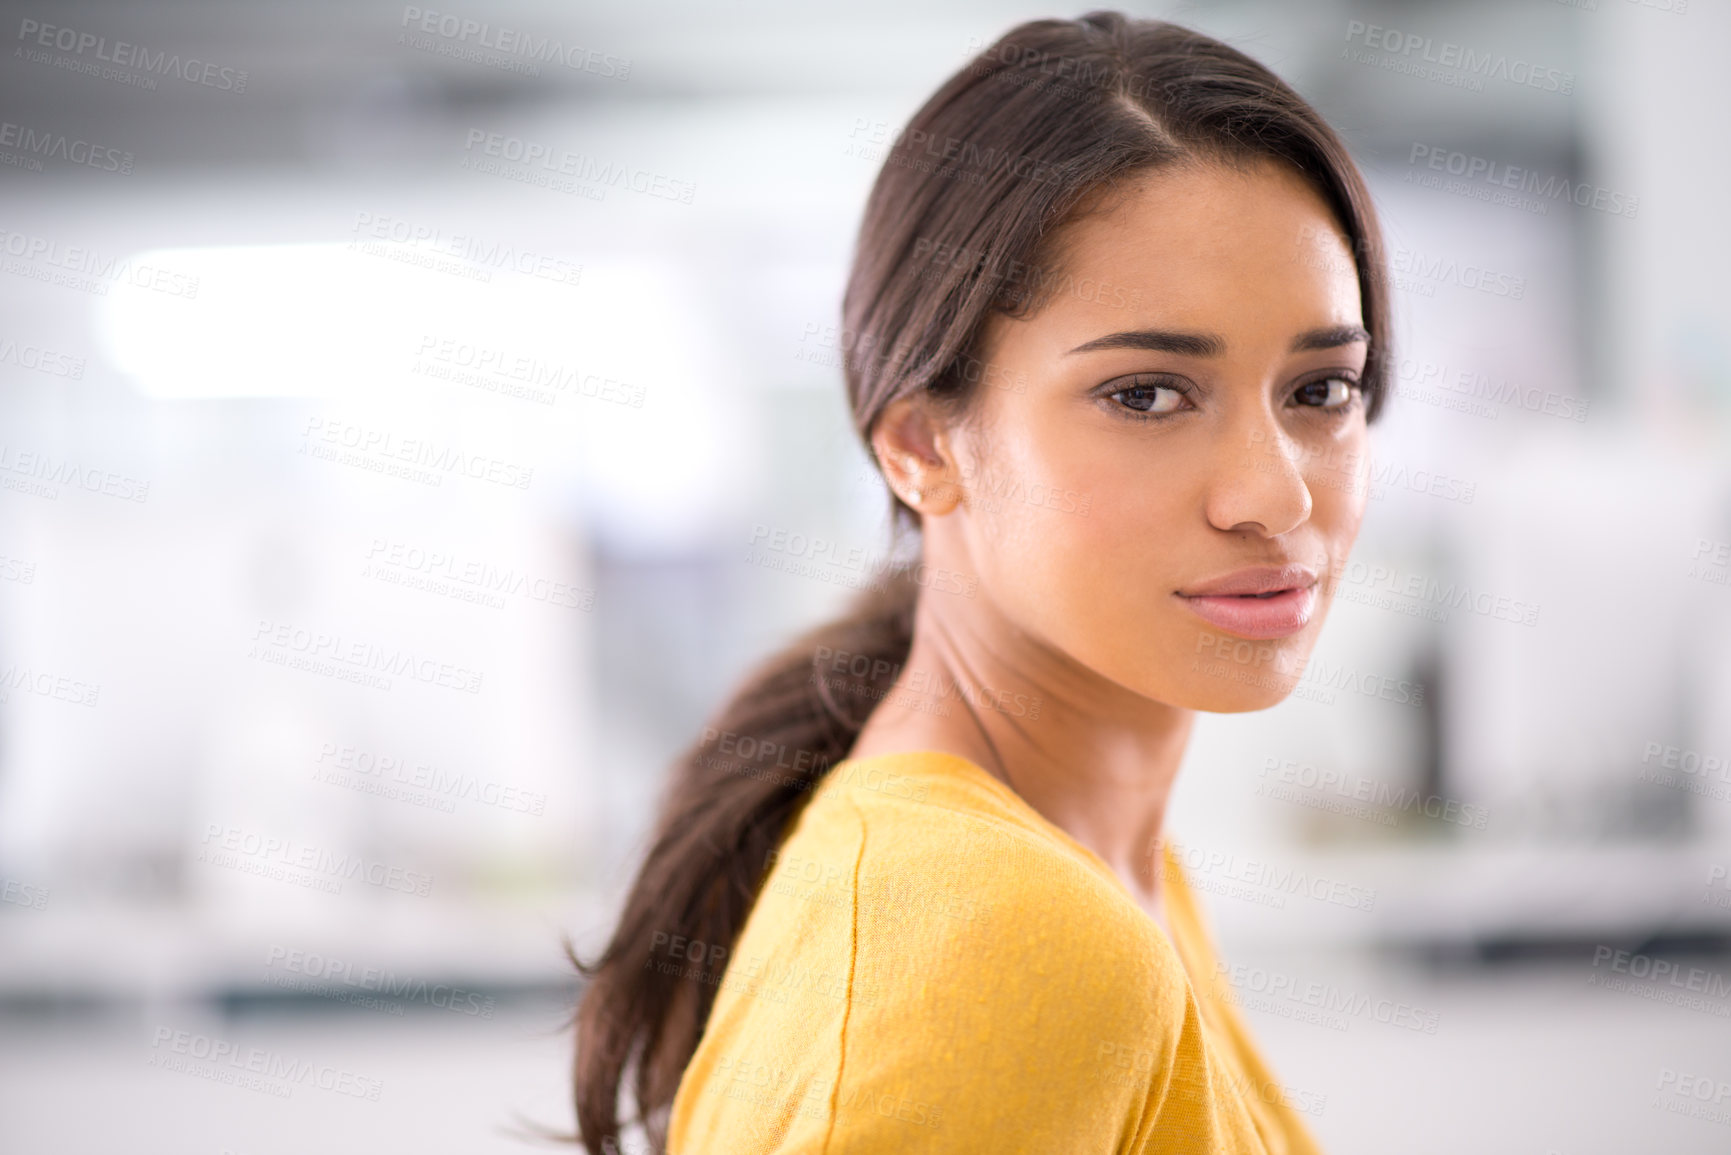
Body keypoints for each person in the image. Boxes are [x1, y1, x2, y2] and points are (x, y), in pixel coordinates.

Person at [573, 11, 1390, 1152]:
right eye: (1147, 394)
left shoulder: (1095, 867)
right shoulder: (1013, 933)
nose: (1278, 497)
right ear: (920, 445)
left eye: (1322, 390)